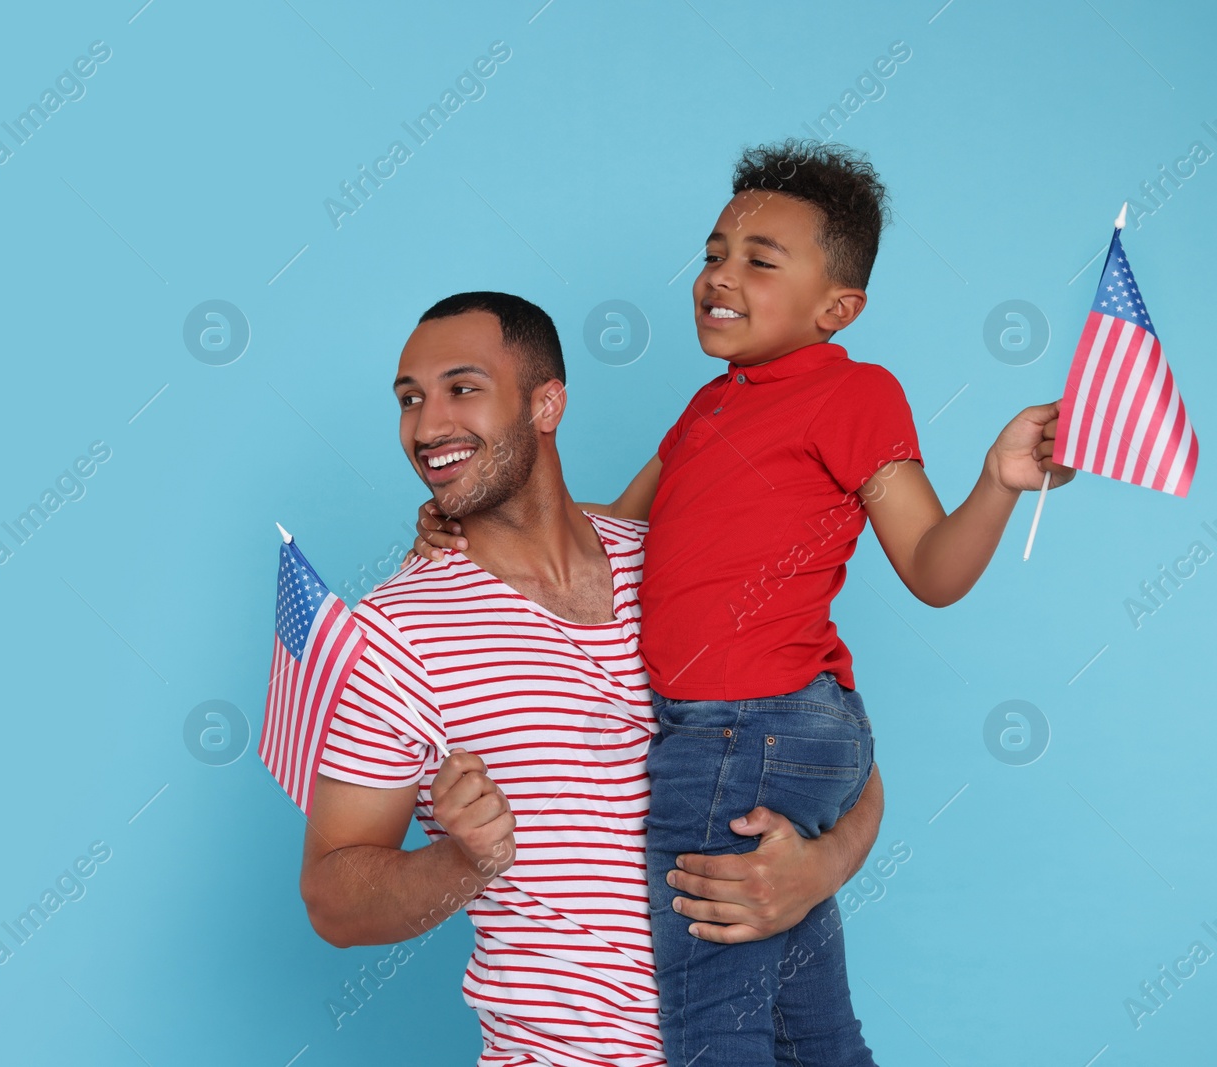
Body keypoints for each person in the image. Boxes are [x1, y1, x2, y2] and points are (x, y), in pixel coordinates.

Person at [413, 144, 1077, 1065]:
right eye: (715, 251)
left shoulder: (854, 391)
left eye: (761, 261)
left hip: (746, 728)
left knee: (707, 1011)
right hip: (759, 730)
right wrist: (471, 513)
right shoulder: (706, 409)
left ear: (836, 309)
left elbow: (931, 566)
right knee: (803, 1012)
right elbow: (599, 524)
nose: (720, 275)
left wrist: (999, 480)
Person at [302, 291, 886, 1067]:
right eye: (410, 400)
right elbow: (334, 899)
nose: (428, 424)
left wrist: (819, 868)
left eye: (462, 388)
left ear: (548, 403)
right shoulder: (391, 634)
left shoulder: (680, 561)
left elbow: (839, 756)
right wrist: (461, 861)